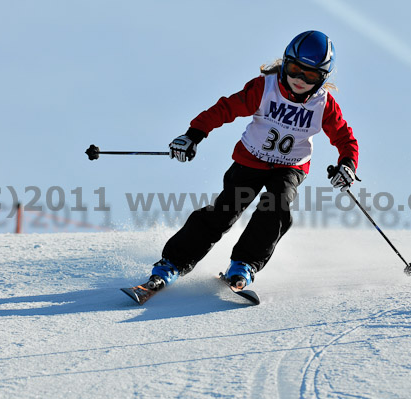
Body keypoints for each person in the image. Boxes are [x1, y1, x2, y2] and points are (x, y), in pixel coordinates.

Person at [148, 30, 359, 291]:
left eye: (311, 75)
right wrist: (194, 135)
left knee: (276, 206)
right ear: (284, 63)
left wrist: (347, 164)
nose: (299, 79)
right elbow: (225, 109)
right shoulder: (265, 88)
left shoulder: (323, 104)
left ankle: (244, 264)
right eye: (294, 69)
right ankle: (173, 263)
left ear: (322, 77)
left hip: (289, 166)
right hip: (251, 159)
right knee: (224, 212)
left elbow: (344, 138)